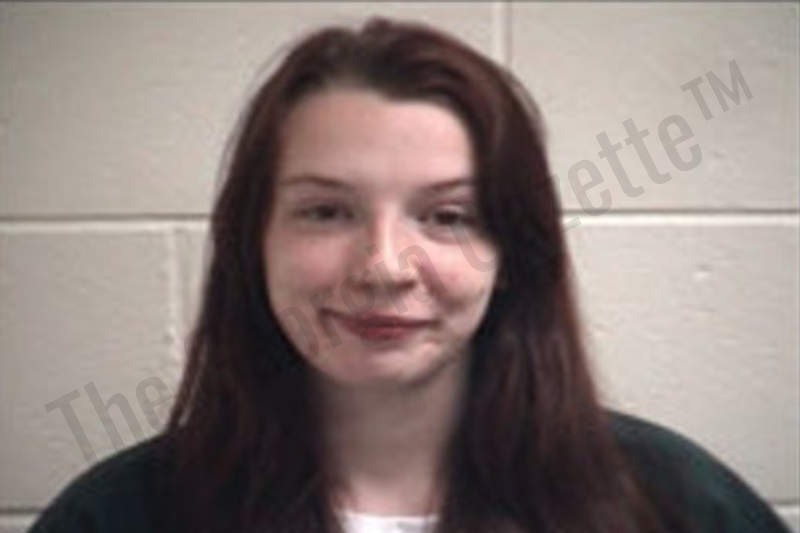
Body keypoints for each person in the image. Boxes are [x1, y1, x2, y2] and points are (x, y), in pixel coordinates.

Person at [29, 16, 792, 533]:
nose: (384, 267)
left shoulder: (677, 505)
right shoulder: (119, 515)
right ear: (252, 240)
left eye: (447, 216)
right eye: (326, 211)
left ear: (512, 252)